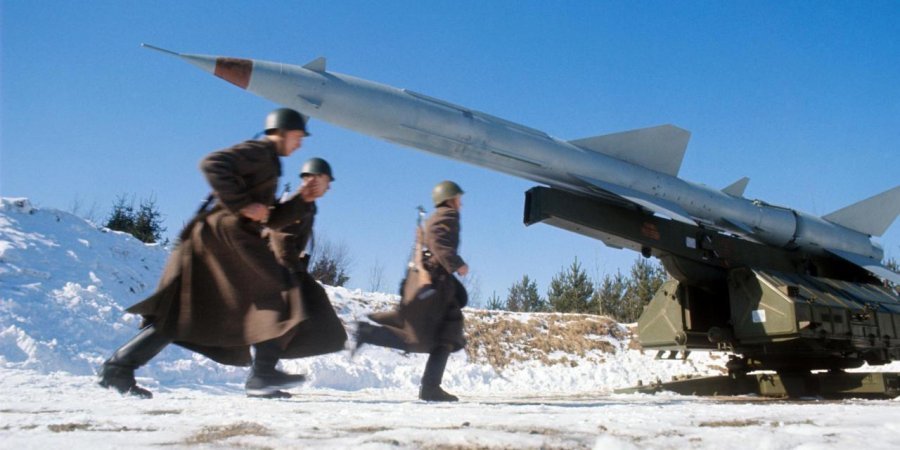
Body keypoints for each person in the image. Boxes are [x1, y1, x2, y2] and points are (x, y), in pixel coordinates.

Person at [98, 108, 327, 399]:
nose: (300, 144)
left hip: (225, 239)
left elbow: (269, 219)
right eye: (297, 137)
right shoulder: (258, 151)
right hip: (222, 237)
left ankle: (118, 368)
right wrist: (243, 204)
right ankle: (262, 374)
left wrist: (303, 199)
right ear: (281, 132)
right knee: (276, 291)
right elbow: (212, 163)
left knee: (187, 313)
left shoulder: (269, 161)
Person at [354, 180, 469, 402]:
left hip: (438, 281)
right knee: (437, 335)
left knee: (438, 334)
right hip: (438, 283)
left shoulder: (436, 217)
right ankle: (429, 387)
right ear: (449, 199)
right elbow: (439, 244)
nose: (461, 204)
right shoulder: (448, 216)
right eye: (458, 199)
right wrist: (458, 264)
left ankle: (430, 386)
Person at [262, 157, 347, 388]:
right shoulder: (295, 202)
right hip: (282, 270)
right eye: (326, 180)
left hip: (294, 269)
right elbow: (279, 236)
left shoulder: (309, 205)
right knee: (290, 319)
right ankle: (262, 370)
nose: (329, 186)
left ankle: (264, 367)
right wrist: (290, 275)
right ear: (315, 178)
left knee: (329, 332)